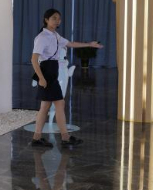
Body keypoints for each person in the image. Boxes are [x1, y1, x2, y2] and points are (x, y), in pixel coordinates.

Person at [30, 8, 102, 148]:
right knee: (58, 103)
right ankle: (65, 138)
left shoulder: (55, 35)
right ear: (46, 20)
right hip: (47, 73)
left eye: (59, 19)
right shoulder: (42, 37)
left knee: (46, 106)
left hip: (52, 72)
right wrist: (41, 78)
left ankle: (37, 138)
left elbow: (71, 44)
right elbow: (34, 59)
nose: (57, 21)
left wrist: (89, 44)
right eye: (54, 18)